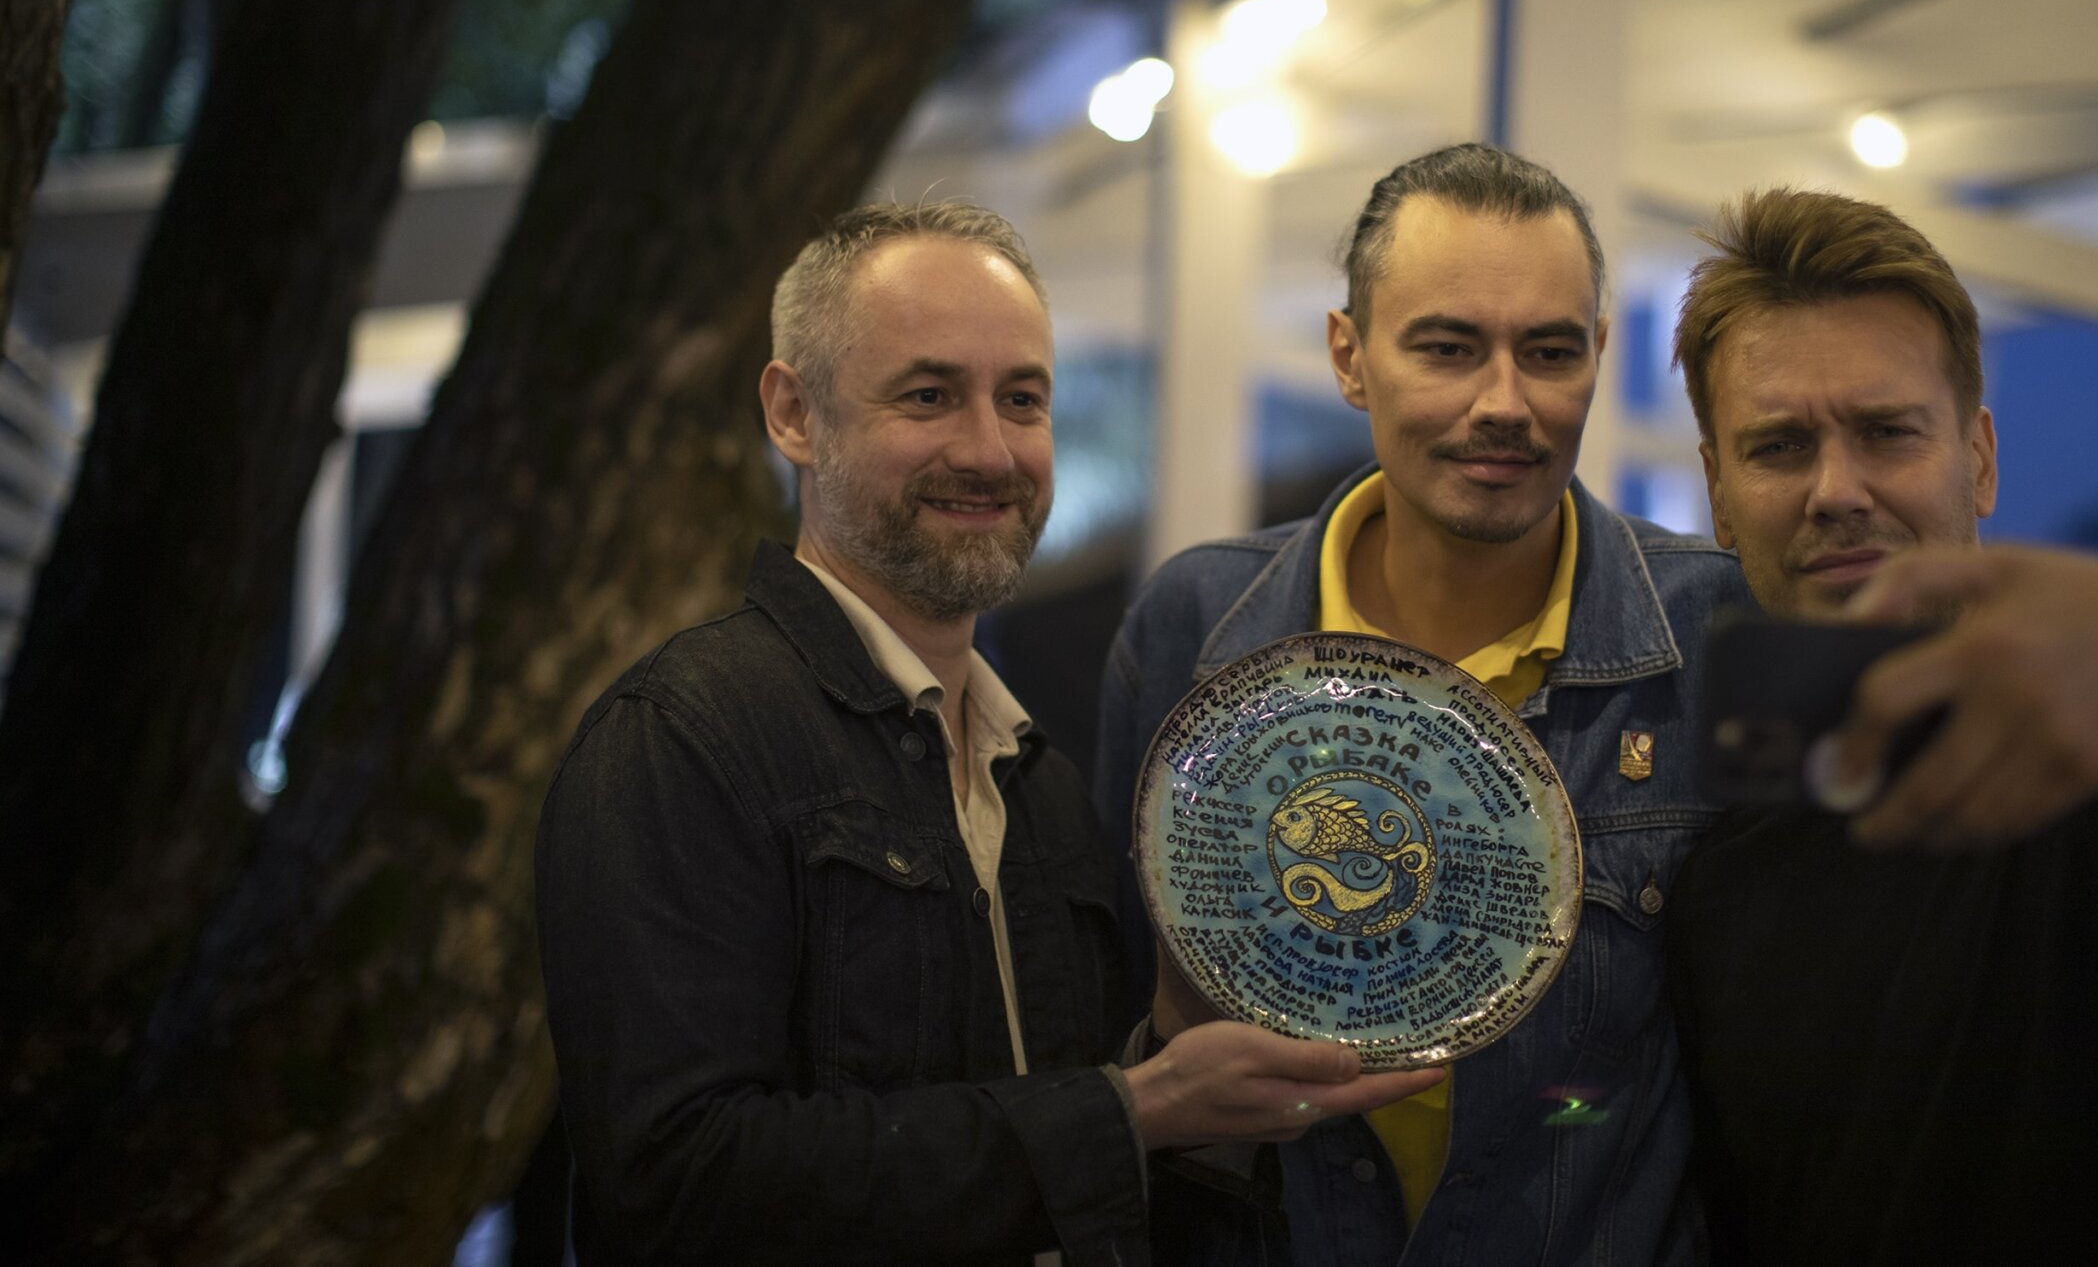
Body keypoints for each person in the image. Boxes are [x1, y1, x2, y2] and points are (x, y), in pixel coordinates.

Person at [536, 201, 1436, 1267]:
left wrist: (1178, 1050)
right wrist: (1131, 1109)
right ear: (794, 414)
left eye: (1022, 399)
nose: (989, 450)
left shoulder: (1038, 785)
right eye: (928, 395)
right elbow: (674, 1184)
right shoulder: (683, 740)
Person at [1663, 186, 2098, 1265]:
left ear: (1979, 459)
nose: (1836, 490)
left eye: (1886, 432)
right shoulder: (1717, 883)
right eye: (1779, 446)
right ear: (1718, 490)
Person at [1094, 145, 1750, 1265]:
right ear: (1349, 356)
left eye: (1549, 352)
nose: (1504, 403)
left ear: (1599, 354)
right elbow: (1107, 1033)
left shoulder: (1713, 633)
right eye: (1446, 348)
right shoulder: (1194, 628)